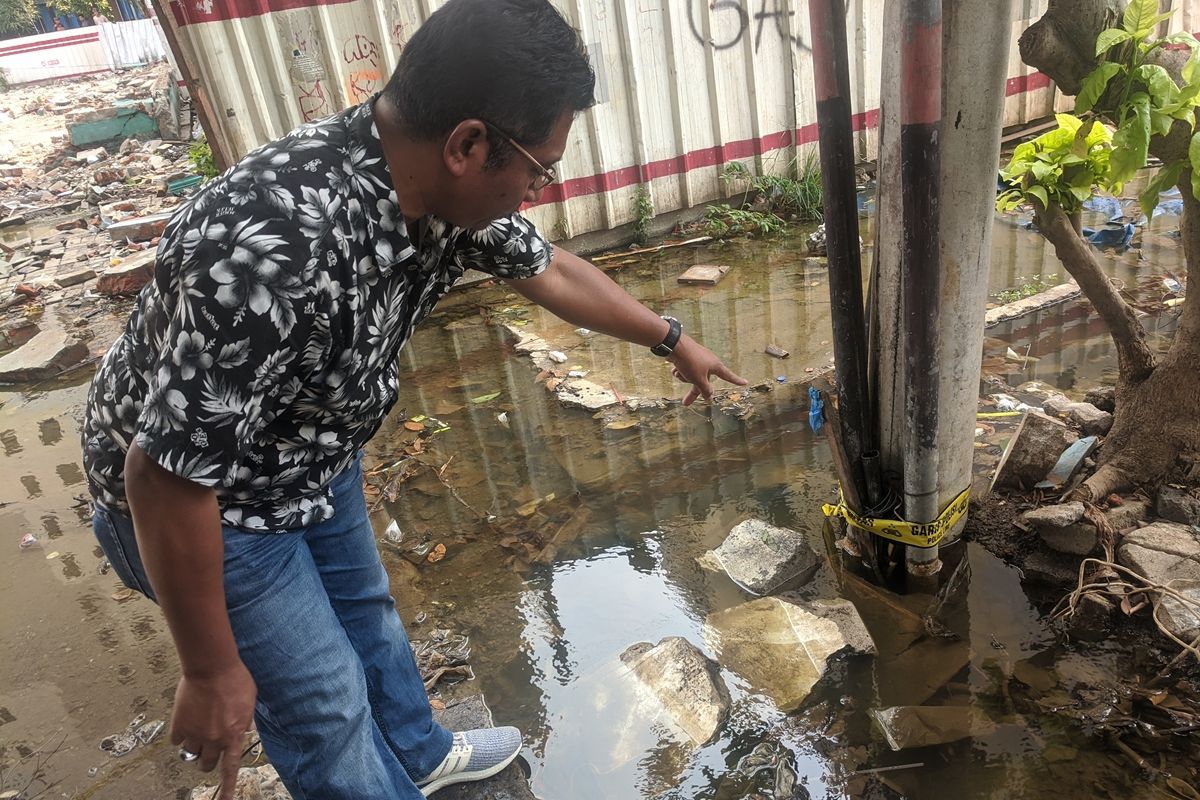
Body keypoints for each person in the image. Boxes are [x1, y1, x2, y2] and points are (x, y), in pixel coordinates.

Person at [81, 0, 746, 797]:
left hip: (309, 452)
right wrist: (210, 667)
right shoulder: (272, 243)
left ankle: (419, 755)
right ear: (470, 144)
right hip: (209, 504)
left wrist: (672, 339)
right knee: (324, 706)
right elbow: (162, 474)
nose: (535, 192)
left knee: (370, 620)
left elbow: (552, 271)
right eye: (537, 170)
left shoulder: (431, 185)